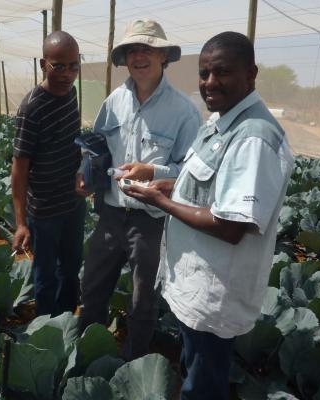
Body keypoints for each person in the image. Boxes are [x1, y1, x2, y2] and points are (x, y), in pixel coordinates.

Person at [124, 31, 294, 400]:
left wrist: (162, 202)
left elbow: (232, 225)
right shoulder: (221, 123)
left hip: (215, 295)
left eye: (223, 73)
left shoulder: (254, 137)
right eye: (204, 74)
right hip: (194, 289)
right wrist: (164, 185)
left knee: (203, 385)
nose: (210, 83)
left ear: (251, 74)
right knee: (193, 370)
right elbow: (202, 188)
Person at [77, 19, 201, 361]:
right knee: (92, 287)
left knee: (143, 296)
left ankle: (133, 362)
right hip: (111, 213)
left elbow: (190, 174)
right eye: (132, 50)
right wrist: (86, 173)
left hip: (151, 219)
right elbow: (96, 150)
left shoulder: (184, 112)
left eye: (147, 49)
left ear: (163, 56)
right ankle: (87, 355)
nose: (139, 56)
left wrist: (152, 171)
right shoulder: (114, 101)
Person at [11, 31, 86, 317]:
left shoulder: (72, 95)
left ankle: (66, 323)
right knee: (45, 277)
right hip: (44, 212)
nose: (68, 74)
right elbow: (19, 169)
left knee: (70, 271)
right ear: (43, 64)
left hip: (73, 204)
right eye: (59, 66)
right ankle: (46, 330)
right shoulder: (32, 109)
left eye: (74, 66)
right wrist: (21, 223)